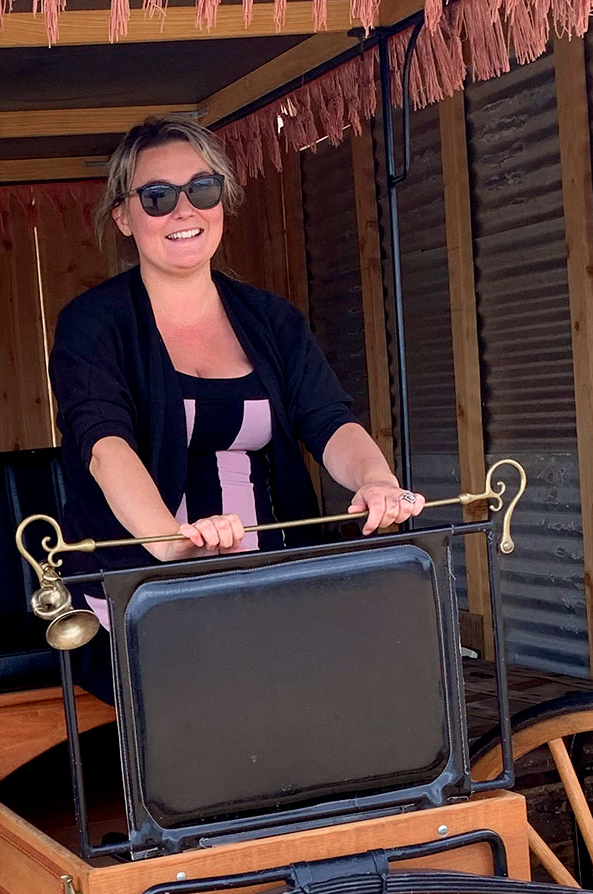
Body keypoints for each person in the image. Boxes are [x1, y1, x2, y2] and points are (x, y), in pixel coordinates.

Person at [48, 116, 424, 636]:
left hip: (276, 579)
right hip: (140, 591)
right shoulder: (92, 323)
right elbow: (104, 445)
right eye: (157, 196)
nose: (185, 210)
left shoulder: (271, 318)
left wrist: (377, 481)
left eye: (202, 189)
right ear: (124, 218)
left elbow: (329, 420)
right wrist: (169, 542)